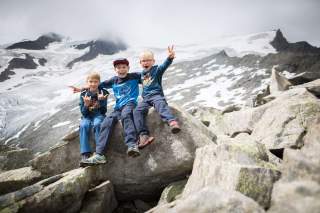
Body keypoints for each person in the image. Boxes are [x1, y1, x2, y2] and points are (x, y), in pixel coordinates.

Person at [81, 58, 142, 165]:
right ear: (115, 69)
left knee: (126, 115)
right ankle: (99, 154)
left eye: (124, 67)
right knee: (107, 121)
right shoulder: (113, 80)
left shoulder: (135, 76)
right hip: (118, 107)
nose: (121, 69)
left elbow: (149, 76)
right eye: (118, 68)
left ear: (128, 68)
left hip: (130, 103)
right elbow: (98, 85)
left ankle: (132, 144)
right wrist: (84, 88)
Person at [133, 46, 181, 149]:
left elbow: (164, 65)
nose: (146, 63)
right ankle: (143, 135)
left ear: (153, 61)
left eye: (148, 60)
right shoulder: (141, 75)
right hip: (146, 99)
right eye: (143, 61)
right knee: (137, 111)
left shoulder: (157, 70)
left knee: (160, 104)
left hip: (156, 95)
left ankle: (172, 122)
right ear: (140, 63)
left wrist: (170, 58)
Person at [78, 72, 108, 165]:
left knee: (98, 124)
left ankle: (99, 152)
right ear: (87, 82)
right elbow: (83, 112)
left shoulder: (104, 92)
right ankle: (85, 153)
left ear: (99, 82)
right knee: (83, 125)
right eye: (91, 81)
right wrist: (86, 105)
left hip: (98, 114)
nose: (93, 84)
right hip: (87, 116)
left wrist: (101, 101)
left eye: (95, 82)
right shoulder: (84, 94)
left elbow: (103, 110)